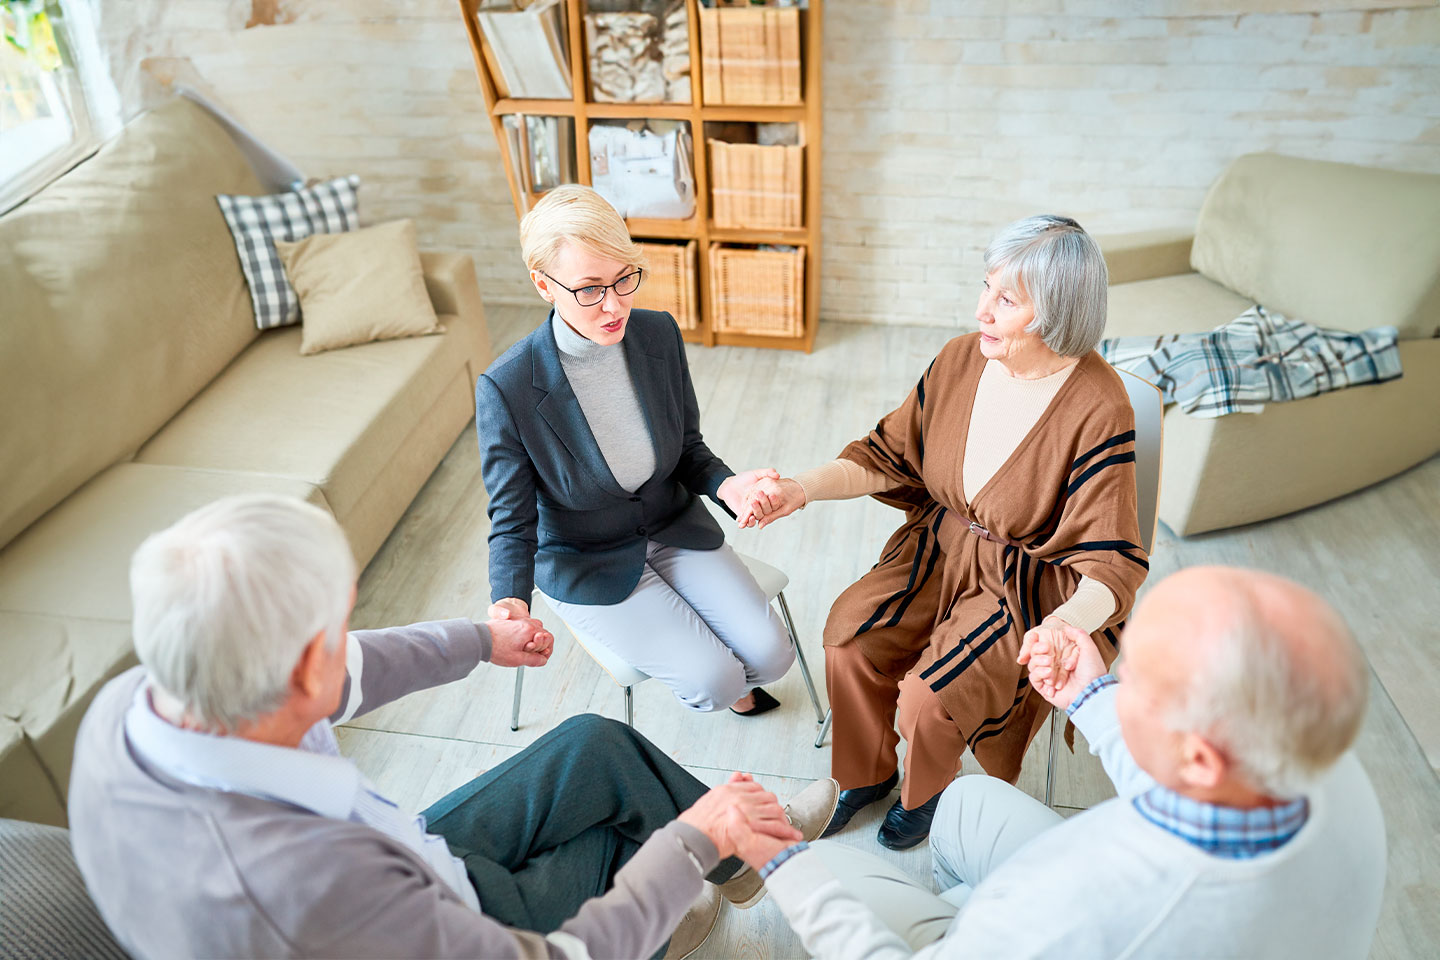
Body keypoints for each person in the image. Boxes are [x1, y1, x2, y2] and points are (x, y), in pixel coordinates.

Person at [67, 494, 838, 960]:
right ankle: (683, 909)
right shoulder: (301, 885)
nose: (352, 636)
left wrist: (479, 640)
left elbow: (350, 671)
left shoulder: (153, 695)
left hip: (409, 862)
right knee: (628, 840)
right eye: (341, 625)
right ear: (305, 667)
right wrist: (690, 840)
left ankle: (733, 874)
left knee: (592, 746)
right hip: (442, 924)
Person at [725, 566, 1387, 959]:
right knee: (964, 803)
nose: (1120, 685)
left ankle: (955, 931)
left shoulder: (1079, 908)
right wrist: (1091, 697)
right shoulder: (1318, 765)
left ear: (1200, 756)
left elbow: (1069, 914)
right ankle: (959, 916)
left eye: (1138, 682)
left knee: (826, 867)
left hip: (1047, 933)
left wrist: (781, 858)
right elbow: (1198, 781)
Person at [739, 215, 1149, 847]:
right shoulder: (961, 359)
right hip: (941, 542)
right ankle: (866, 774)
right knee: (848, 635)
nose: (981, 310)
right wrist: (800, 488)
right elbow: (885, 454)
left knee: (930, 699)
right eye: (985, 287)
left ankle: (926, 795)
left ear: (1056, 311)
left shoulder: (1100, 406)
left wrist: (1066, 625)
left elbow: (1114, 558)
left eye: (1005, 299)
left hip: (1021, 582)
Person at [476, 184, 794, 717]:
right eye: (590, 289)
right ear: (543, 285)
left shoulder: (656, 334)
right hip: (587, 559)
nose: (615, 304)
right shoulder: (507, 388)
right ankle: (727, 685)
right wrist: (510, 600)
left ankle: (729, 674)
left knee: (774, 655)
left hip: (671, 527)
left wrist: (726, 484)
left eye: (625, 277)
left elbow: (689, 448)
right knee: (715, 682)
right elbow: (512, 520)